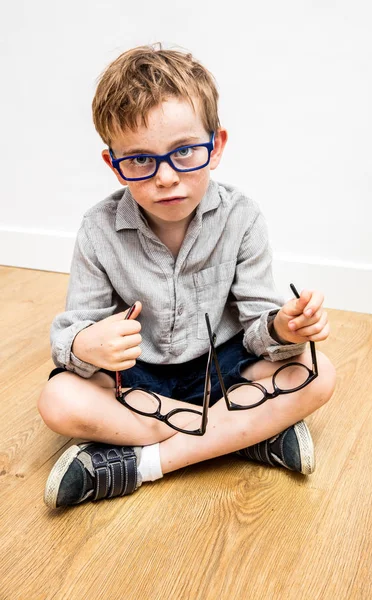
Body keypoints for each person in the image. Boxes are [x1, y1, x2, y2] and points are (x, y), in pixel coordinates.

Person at [38, 44, 336, 509]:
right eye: (139, 159)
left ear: (215, 146)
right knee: (58, 400)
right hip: (138, 378)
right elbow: (75, 327)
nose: (165, 178)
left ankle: (139, 466)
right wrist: (85, 344)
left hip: (225, 368)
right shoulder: (98, 230)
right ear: (112, 162)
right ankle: (244, 436)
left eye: (184, 152)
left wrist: (284, 328)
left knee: (319, 376)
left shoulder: (243, 218)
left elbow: (261, 327)